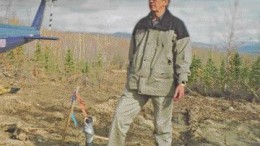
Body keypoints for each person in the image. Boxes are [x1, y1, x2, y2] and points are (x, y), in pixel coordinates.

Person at [108, 0, 191, 145]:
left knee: (162, 128)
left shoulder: (177, 25)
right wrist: (131, 76)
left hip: (162, 86)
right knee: (119, 118)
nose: (151, 1)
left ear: (165, 2)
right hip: (136, 84)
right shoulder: (141, 24)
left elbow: (183, 57)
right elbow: (132, 54)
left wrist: (182, 83)